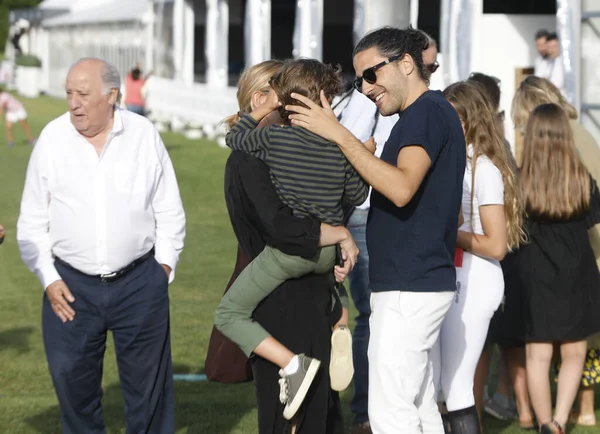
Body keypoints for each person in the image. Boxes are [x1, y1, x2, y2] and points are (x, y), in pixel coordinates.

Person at [286, 26, 467, 433]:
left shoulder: (426, 113)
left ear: (406, 64)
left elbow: (401, 188)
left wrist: (339, 135)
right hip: (415, 282)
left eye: (372, 74)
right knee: (418, 405)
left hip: (410, 286)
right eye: (360, 78)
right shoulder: (425, 114)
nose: (366, 88)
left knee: (391, 412)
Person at [16, 58, 186, 433]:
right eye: (69, 94)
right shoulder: (52, 139)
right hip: (69, 288)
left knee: (150, 398)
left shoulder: (143, 135)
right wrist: (47, 276)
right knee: (72, 390)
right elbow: (31, 221)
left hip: (141, 281)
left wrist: (163, 269)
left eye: (83, 94)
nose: (74, 103)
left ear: (112, 95)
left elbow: (169, 209)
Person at [214, 58, 367, 420]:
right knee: (308, 412)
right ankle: (341, 315)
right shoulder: (333, 149)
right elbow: (354, 196)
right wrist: (356, 153)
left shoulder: (272, 143)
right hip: (317, 267)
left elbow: (286, 232)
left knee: (229, 313)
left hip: (288, 280)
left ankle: (296, 359)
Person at [432, 81, 524, 434]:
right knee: (442, 385)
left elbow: (497, 245)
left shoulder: (482, 168)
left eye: (450, 117)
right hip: (454, 273)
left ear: (469, 120)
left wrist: (442, 230)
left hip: (475, 277)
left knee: (457, 388)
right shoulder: (453, 159)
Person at [517, 103, 600, 434]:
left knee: (536, 355)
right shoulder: (581, 179)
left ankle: (544, 423)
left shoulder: (520, 179)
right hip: (576, 269)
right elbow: (595, 217)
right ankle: (560, 421)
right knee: (575, 351)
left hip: (534, 270)